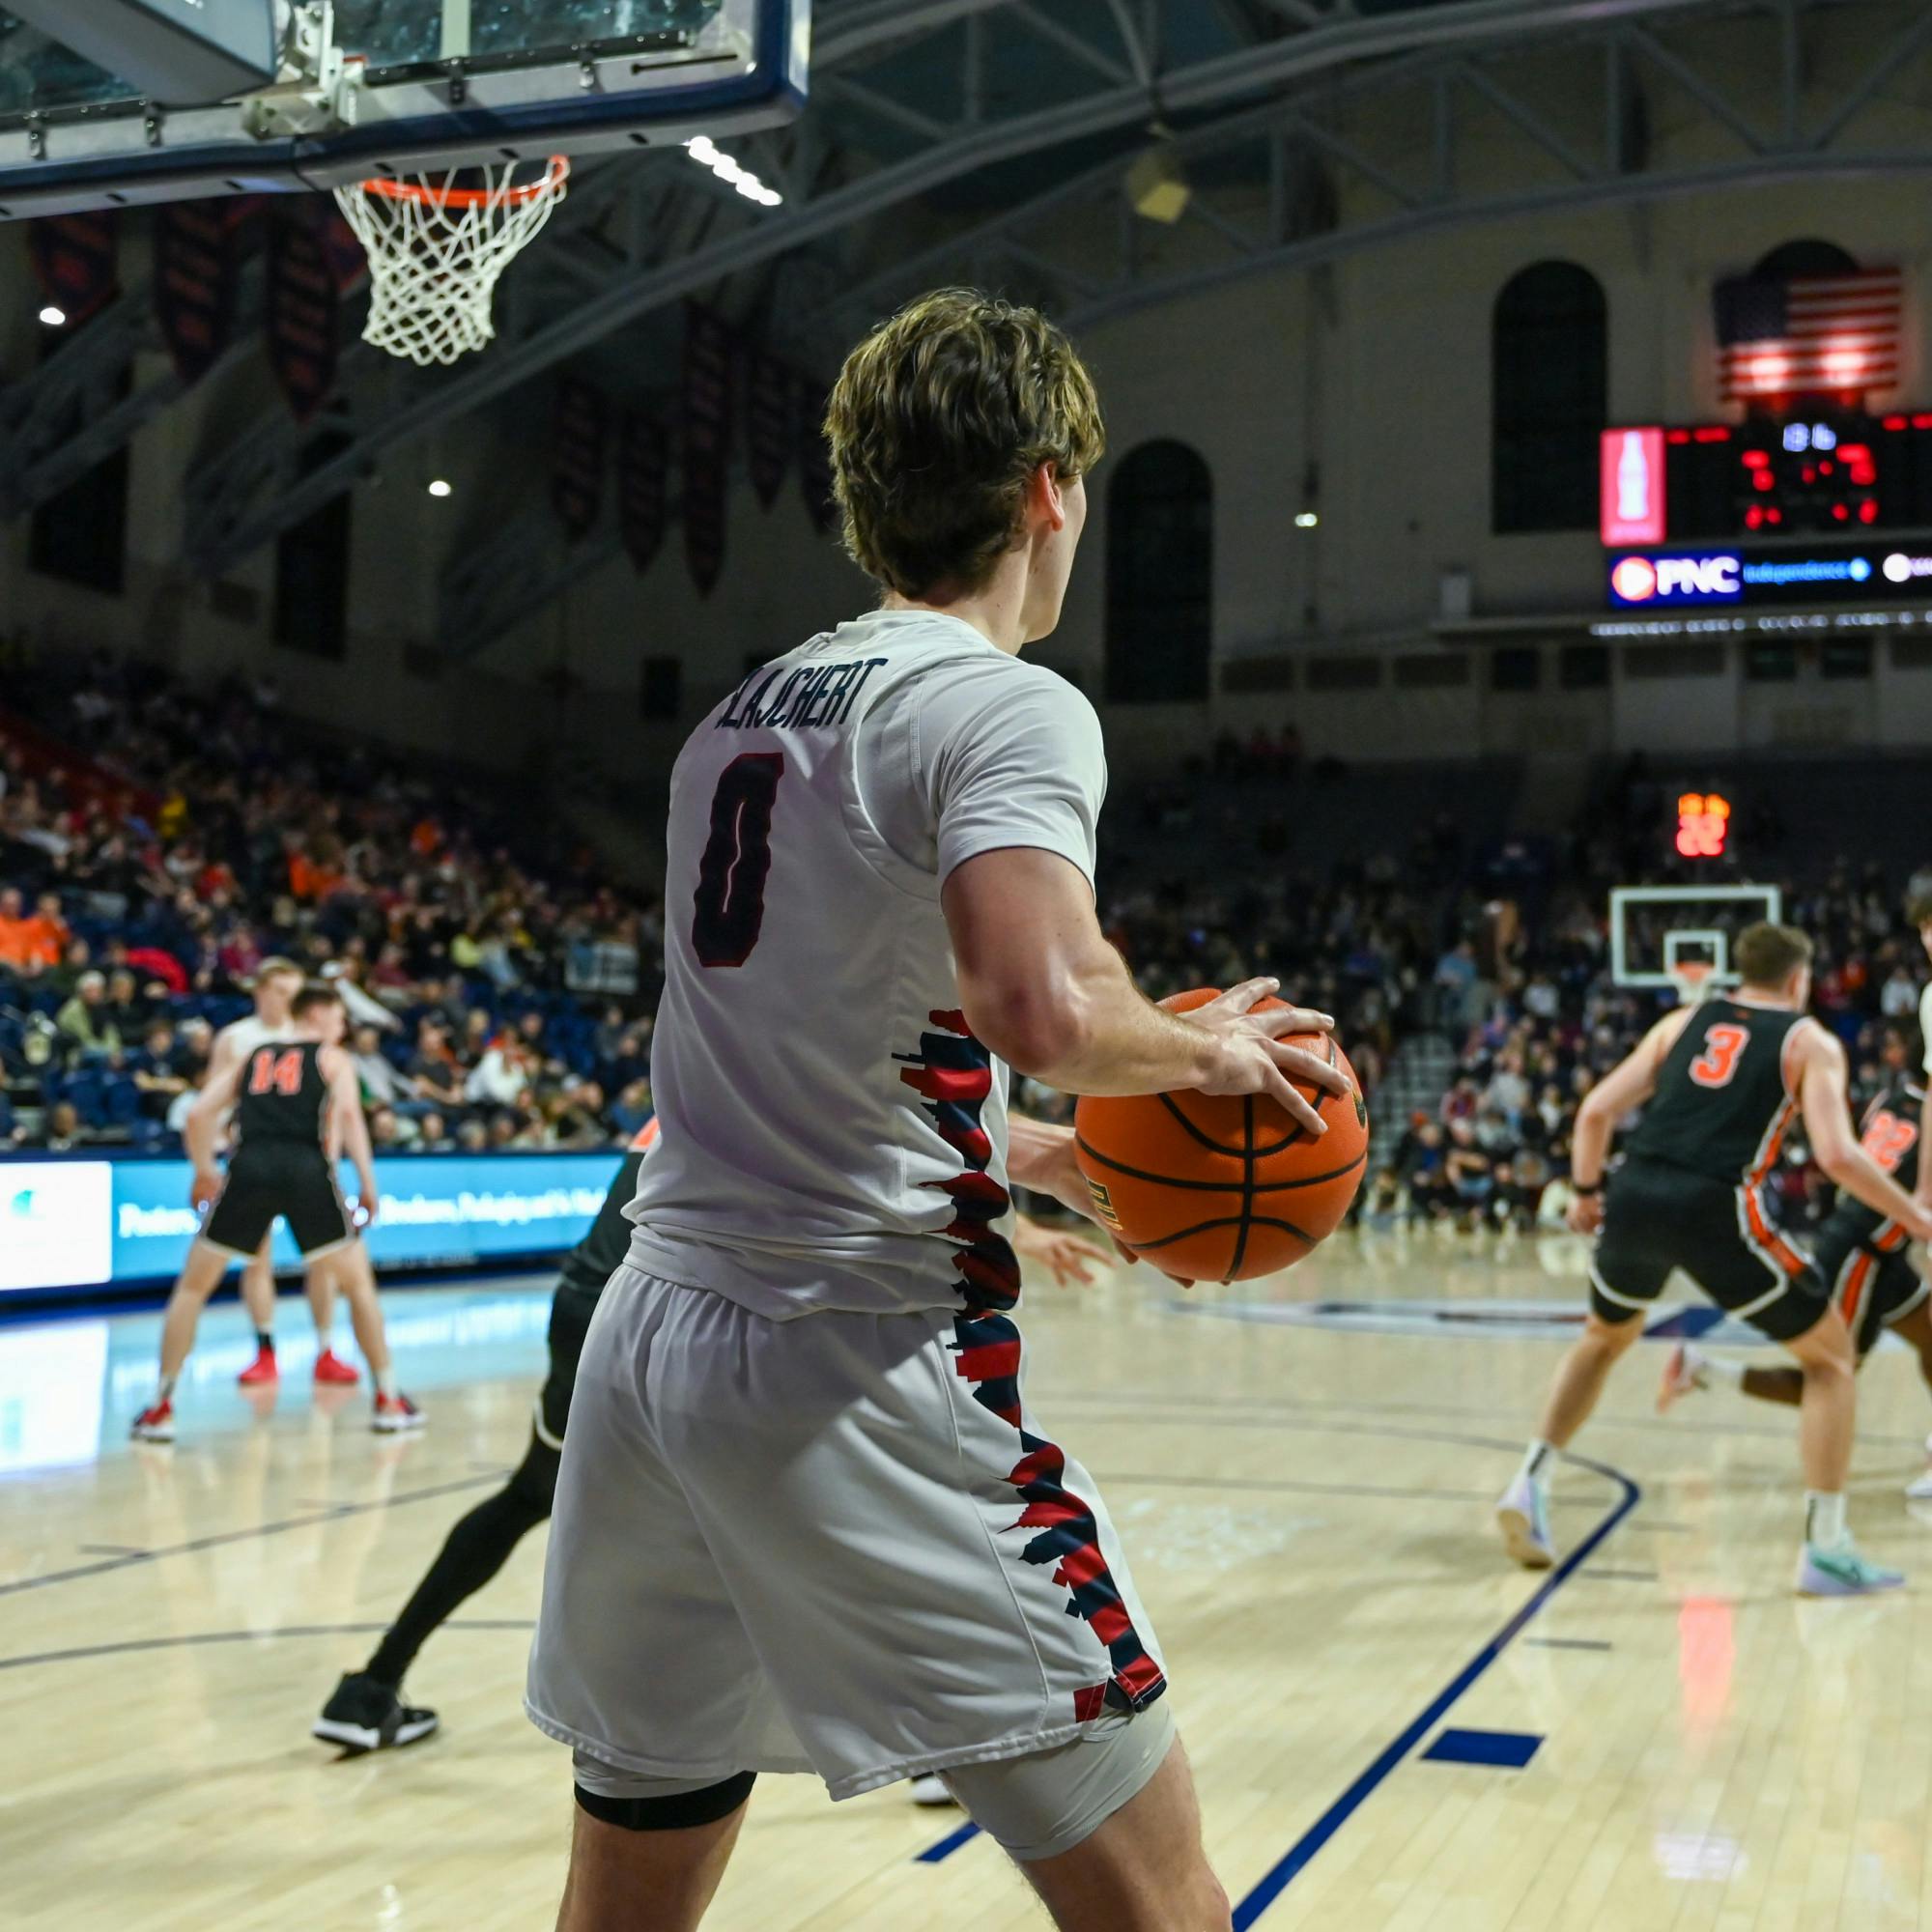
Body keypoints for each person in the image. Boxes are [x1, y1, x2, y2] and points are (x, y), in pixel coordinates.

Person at [524, 289, 1347, 1932]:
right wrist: (1207, 1058)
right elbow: (1043, 1006)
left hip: (650, 1349)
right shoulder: (1006, 702)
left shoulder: (737, 718)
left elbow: (802, 1054)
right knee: (1163, 1904)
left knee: (625, 1898)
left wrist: (1036, 1155)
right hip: (850, 1361)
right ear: (1051, 489)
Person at [313, 1111, 1112, 1756]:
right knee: (830, 1515)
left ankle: (371, 1686)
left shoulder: (711, 1066)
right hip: (672, 1310)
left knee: (533, 1497)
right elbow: (889, 1155)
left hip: (594, 1303)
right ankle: (933, 1737)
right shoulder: (787, 1074)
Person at [1495, 924, 1932, 1597]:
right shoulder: (1807, 1040)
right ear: (1798, 979)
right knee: (1831, 1360)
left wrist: (1584, 1192)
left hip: (1634, 1192)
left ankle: (1529, 1482)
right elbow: (1837, 1156)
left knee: (1603, 1338)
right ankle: (1826, 1548)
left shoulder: (1680, 1023)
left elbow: (1596, 1111)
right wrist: (1919, 1218)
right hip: (1715, 1206)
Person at [130, 983, 423, 1442]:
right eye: (339, 1018)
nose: (342, 1028)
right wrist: (368, 1184)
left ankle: (160, 1407)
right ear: (318, 1014)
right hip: (307, 1169)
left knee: (192, 1288)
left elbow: (198, 1115)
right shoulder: (331, 1059)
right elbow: (349, 1117)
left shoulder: (253, 1056)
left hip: (249, 1169)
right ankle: (388, 1399)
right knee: (358, 1286)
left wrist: (204, 1171)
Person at [1659, 1045, 1932, 1492]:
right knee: (1829, 1378)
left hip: (1875, 1248)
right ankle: (1704, 1368)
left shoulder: (1889, 1099)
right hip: (1859, 1255)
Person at [211, 960, 356, 1388]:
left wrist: (333, 1157)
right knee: (256, 1257)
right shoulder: (236, 1038)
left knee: (324, 1259)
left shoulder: (315, 1041)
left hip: (310, 1162)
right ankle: (265, 1349)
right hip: (254, 1159)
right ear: (259, 991)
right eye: (280, 990)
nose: (288, 999)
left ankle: (326, 1349)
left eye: (294, 991)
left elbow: (338, 1109)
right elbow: (213, 1101)